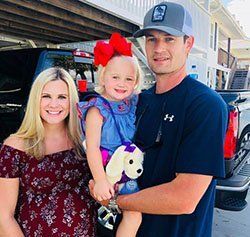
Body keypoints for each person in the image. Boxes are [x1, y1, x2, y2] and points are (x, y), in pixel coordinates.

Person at [89, 2, 228, 237]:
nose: (158, 47)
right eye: (151, 39)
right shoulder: (137, 101)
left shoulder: (205, 105)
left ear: (188, 43)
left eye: (169, 38)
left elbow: (184, 198)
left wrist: (114, 201)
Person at [0, 67, 97, 236]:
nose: (54, 104)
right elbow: (4, 216)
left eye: (62, 97)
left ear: (71, 100)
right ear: (35, 99)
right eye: (46, 96)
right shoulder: (15, 147)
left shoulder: (86, 141)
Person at [77, 33, 143, 237]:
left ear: (135, 82)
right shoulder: (97, 110)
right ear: (103, 76)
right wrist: (100, 180)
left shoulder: (131, 103)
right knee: (107, 218)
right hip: (106, 171)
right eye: (115, 77)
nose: (122, 83)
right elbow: (93, 147)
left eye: (128, 79)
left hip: (128, 169)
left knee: (133, 215)